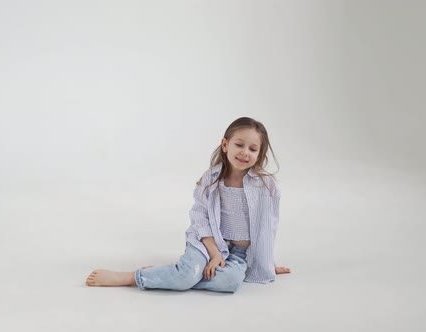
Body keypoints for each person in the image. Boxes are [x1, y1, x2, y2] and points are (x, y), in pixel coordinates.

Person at [85, 117, 291, 293]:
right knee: (187, 275)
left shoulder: (266, 187)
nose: (245, 152)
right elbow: (200, 218)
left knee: (230, 282)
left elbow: (268, 226)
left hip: (238, 254)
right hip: (206, 242)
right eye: (239, 145)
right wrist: (214, 253)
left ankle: (175, 274)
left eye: (253, 149)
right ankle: (132, 277)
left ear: (260, 154)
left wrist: (267, 263)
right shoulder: (210, 179)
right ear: (225, 144)